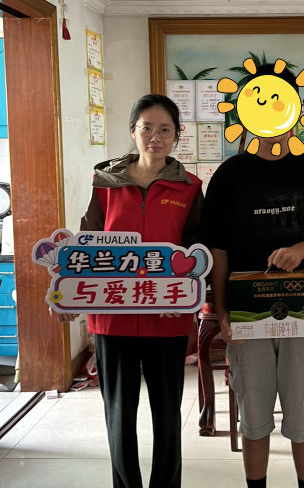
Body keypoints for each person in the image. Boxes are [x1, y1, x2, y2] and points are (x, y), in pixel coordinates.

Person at [200, 66, 304, 488]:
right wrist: (222, 312)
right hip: (247, 312)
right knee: (254, 416)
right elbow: (218, 250)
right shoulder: (229, 175)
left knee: (303, 416)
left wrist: (300, 251)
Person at [58, 94, 203, 488]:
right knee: (119, 413)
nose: (155, 137)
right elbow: (86, 245)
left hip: (167, 317)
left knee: (167, 414)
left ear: (176, 135)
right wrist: (65, 293)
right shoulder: (105, 183)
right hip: (112, 317)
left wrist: (186, 295)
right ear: (132, 131)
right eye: (147, 128)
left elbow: (197, 252)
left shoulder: (190, 188)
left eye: (165, 129)